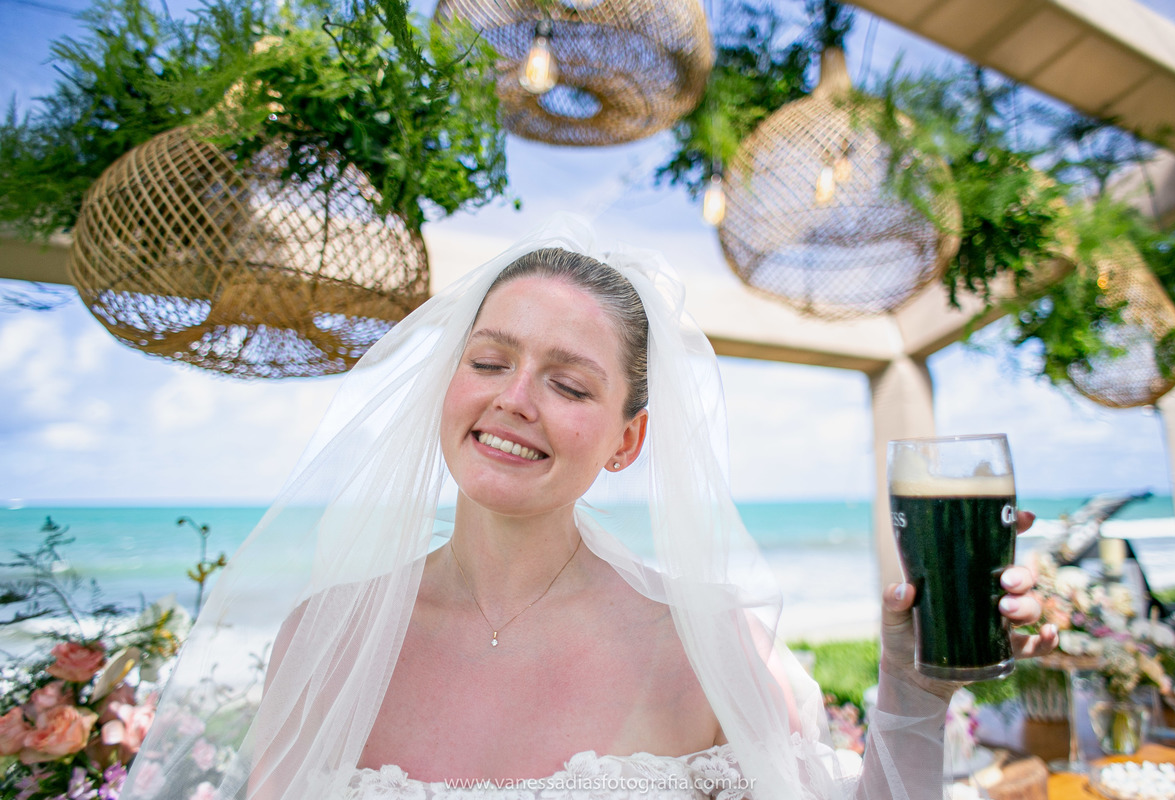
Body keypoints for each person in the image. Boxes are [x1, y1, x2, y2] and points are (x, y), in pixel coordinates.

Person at [125, 217, 1056, 800]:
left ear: (626, 441)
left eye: (568, 383)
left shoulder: (706, 644)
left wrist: (913, 695)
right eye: (489, 362)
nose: (514, 399)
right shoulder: (323, 637)